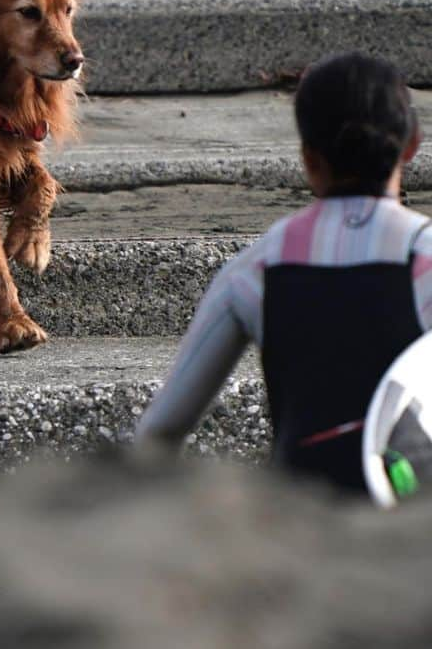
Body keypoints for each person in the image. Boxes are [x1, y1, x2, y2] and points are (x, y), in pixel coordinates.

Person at [136, 51, 432, 493]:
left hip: (300, 526)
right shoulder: (423, 255)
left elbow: (160, 431)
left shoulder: (258, 266)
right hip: (409, 527)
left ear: (309, 158)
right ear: (411, 144)